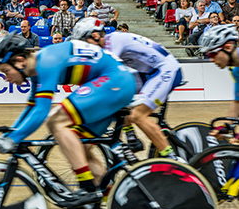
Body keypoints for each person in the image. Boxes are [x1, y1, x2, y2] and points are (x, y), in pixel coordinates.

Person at [0, 32, 136, 207]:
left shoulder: (46, 62)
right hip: (116, 82)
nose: (6, 78)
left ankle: (87, 187)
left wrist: (12, 139)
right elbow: (32, 106)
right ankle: (116, 203)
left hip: (115, 81)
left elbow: (42, 111)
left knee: (56, 121)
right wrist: (11, 133)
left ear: (19, 61)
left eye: (5, 71)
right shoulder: (36, 67)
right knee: (80, 148)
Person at [72, 18, 183, 161]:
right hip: (149, 73)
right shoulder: (107, 43)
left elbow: (106, 75)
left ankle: (174, 159)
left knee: (138, 115)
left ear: (95, 35)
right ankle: (132, 138)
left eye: (85, 43)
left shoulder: (113, 43)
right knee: (119, 97)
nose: (87, 48)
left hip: (165, 70)